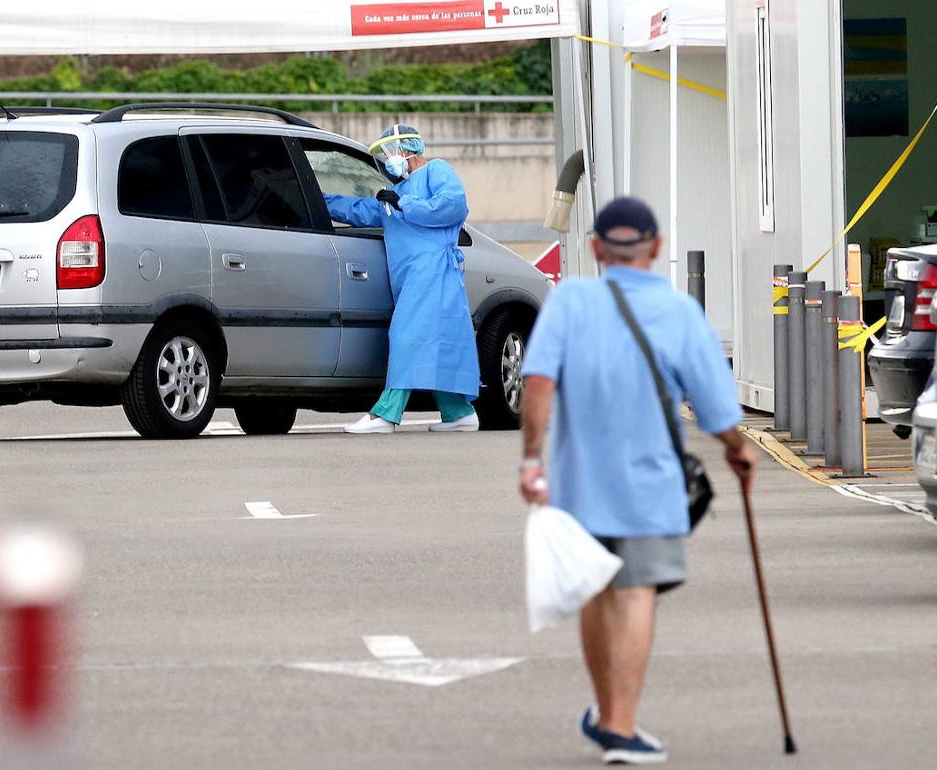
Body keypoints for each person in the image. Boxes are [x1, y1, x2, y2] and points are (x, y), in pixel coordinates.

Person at [517, 197, 757, 765]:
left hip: (579, 486)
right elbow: (720, 413)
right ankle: (621, 727)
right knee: (636, 593)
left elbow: (539, 384)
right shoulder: (680, 312)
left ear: (596, 249)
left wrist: (532, 461)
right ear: (656, 248)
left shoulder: (570, 300)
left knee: (597, 593)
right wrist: (738, 453)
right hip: (651, 487)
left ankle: (608, 717)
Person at [323, 124, 480, 434]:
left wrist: (404, 204)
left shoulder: (436, 170)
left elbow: (452, 206)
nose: (387, 160)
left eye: (390, 153)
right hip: (414, 277)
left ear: (407, 150)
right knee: (433, 343)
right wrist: (318, 199)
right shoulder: (396, 193)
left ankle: (387, 413)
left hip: (434, 271)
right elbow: (358, 210)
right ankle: (458, 411)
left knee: (406, 336)